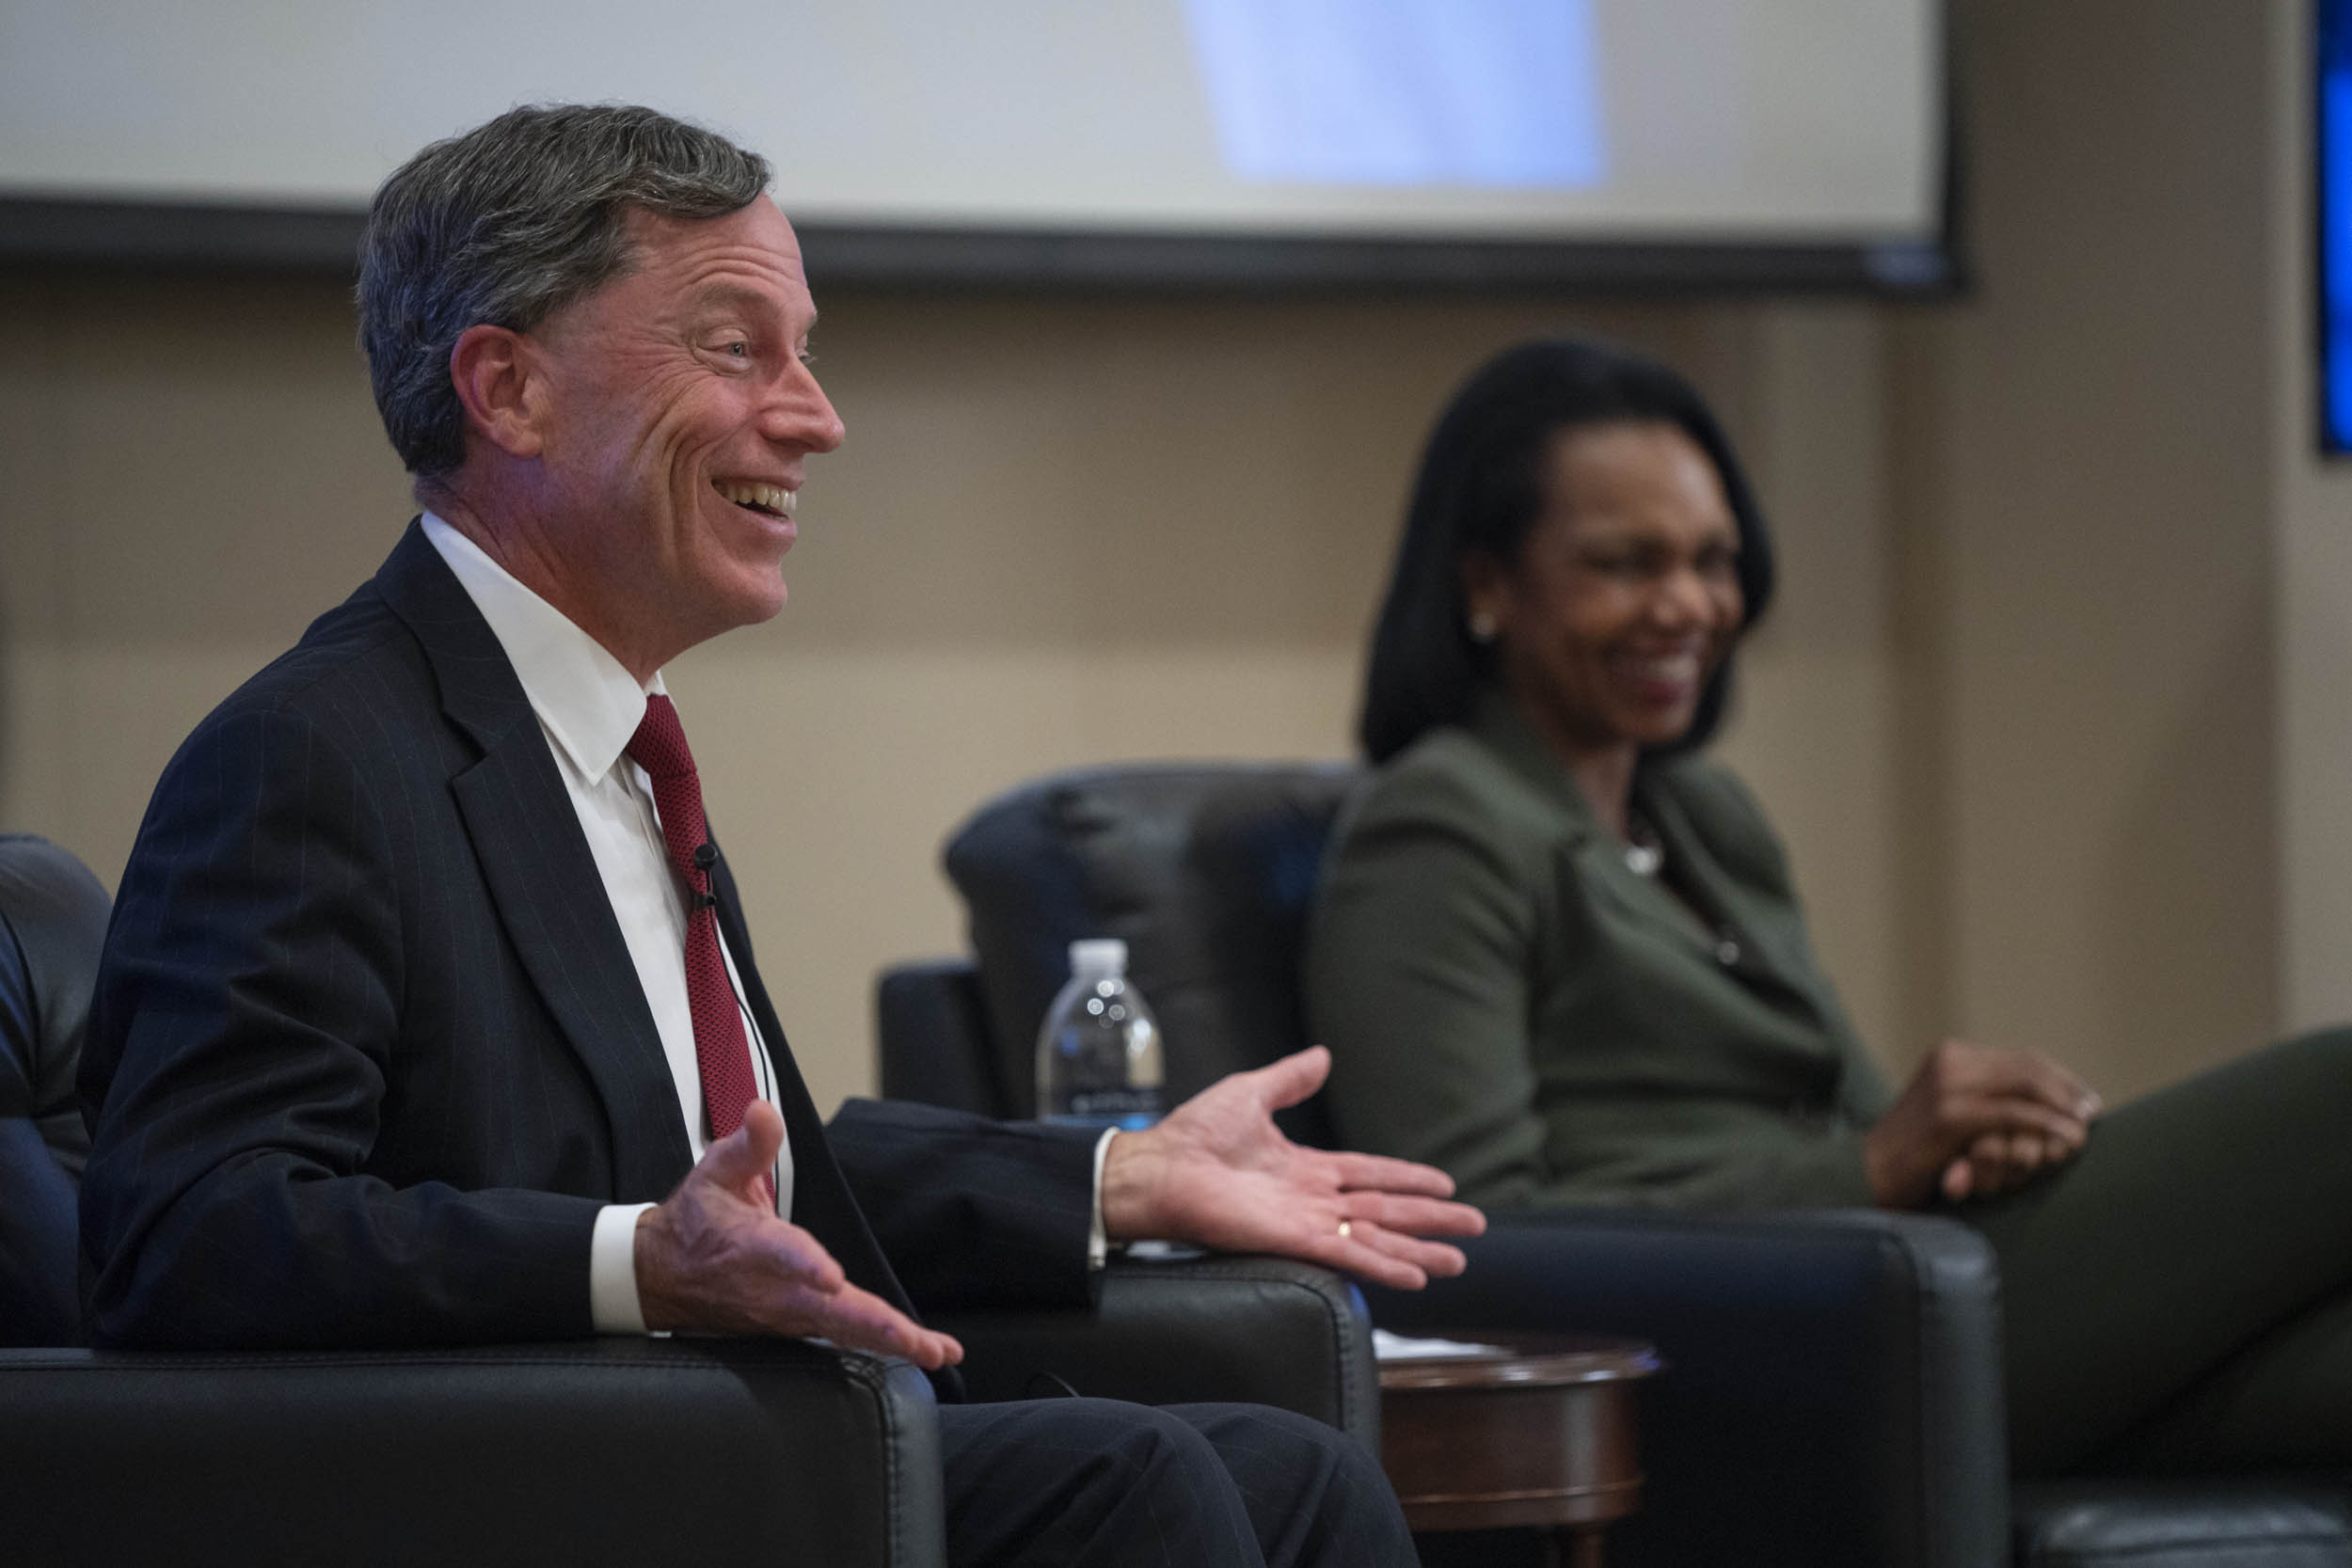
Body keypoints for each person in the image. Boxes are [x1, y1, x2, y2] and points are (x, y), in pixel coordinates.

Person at [78, 103, 1485, 1568]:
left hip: (713, 1447)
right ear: (507, 387)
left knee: (1293, 1475)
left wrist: (1107, 1177)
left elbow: (724, 1174)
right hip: (536, 1476)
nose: (814, 416)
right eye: (735, 347)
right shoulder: (310, 755)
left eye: (803, 350)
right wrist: (636, 1265)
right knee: (1124, 1476)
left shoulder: (615, 742)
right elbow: (188, 1227)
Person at [1304, 335, 2352, 1478]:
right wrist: (1868, 1168)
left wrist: (1966, 1145)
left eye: (1713, 560)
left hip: (1896, 1277)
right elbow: (1470, 1232)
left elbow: (1860, 1120)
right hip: (1755, 1332)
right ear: (1485, 582)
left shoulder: (1707, 814)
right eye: (1625, 563)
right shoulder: (1438, 822)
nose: (1688, 605)